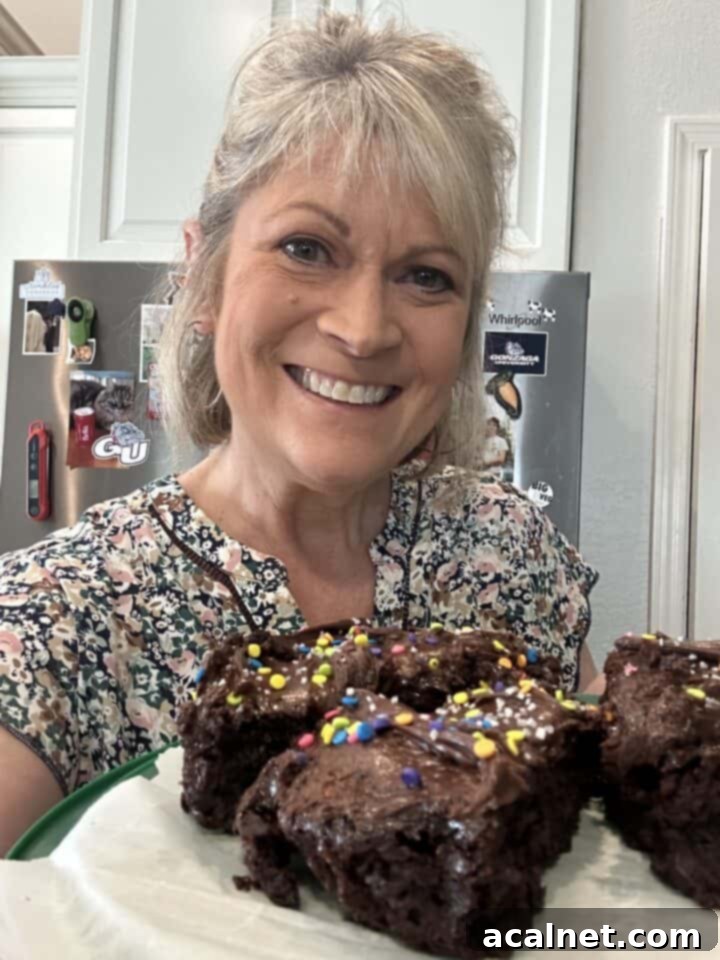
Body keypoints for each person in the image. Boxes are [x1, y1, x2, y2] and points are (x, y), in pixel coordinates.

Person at [0, 12, 600, 856]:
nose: (363, 330)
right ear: (203, 274)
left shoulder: (512, 558)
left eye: (426, 275)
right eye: (307, 248)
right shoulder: (60, 618)